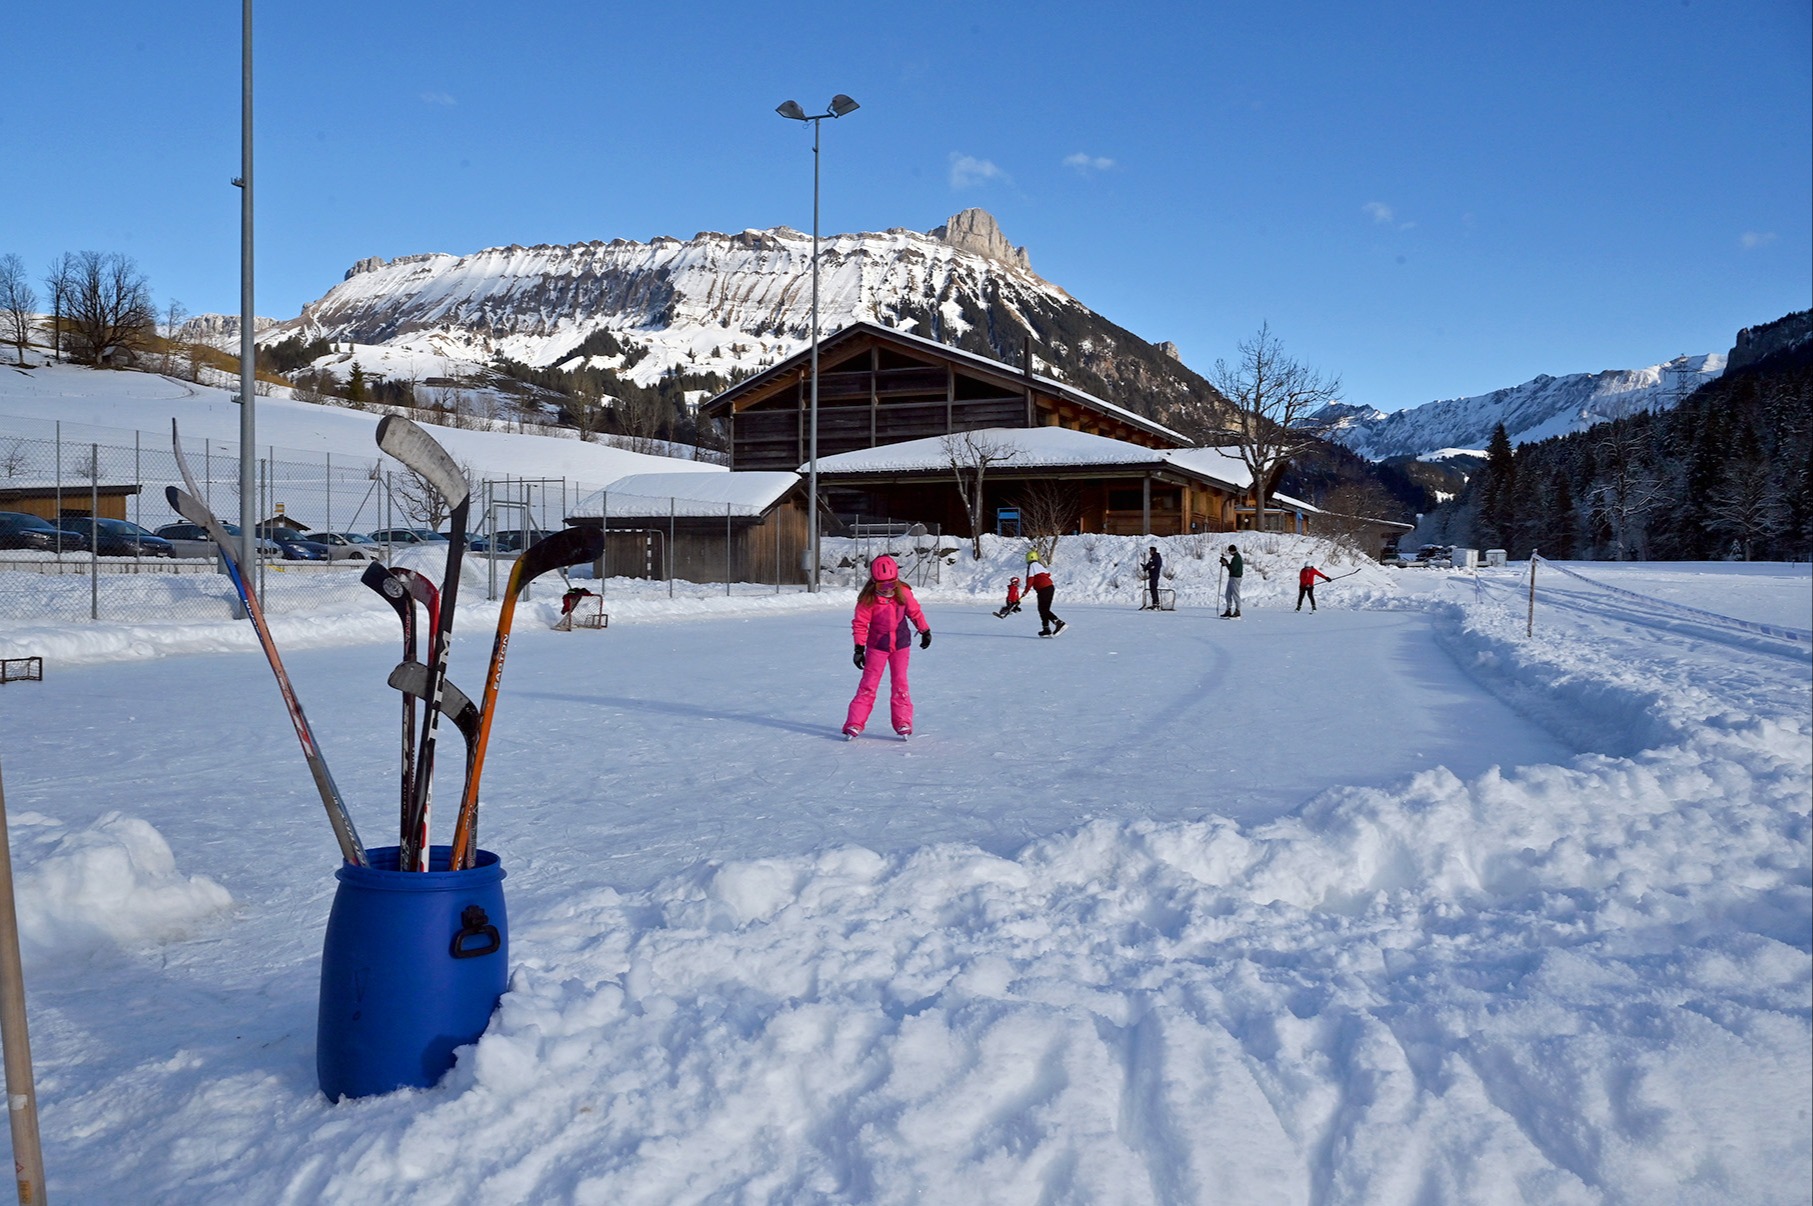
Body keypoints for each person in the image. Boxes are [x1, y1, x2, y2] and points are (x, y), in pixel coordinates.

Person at [843, 554, 931, 740]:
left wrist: (924, 630)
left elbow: (914, 612)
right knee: (868, 686)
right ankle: (854, 723)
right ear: (874, 582)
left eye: (892, 584)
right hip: (877, 647)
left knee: (900, 683)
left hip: (900, 645)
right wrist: (859, 649)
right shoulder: (868, 599)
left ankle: (902, 722)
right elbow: (860, 624)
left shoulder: (904, 593)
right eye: (883, 586)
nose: (888, 590)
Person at [1025, 548, 1065, 637]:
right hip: (1048, 588)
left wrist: (1025, 591)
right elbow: (1047, 574)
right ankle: (1046, 629)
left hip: (1044, 589)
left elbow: (1030, 579)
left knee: (1043, 609)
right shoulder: (1039, 565)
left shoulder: (1032, 566)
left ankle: (1059, 622)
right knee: (1043, 609)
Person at [1218, 544, 1244, 618]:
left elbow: (1232, 569)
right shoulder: (1235, 557)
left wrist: (1226, 563)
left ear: (1232, 551)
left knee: (1236, 594)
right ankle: (1228, 610)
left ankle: (1238, 611)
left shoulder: (1237, 558)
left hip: (1236, 578)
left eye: (1229, 551)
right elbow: (1231, 567)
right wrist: (1226, 563)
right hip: (1232, 577)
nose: (1229, 552)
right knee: (1228, 594)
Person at [1140, 545, 1163, 610]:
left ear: (1153, 551)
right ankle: (1155, 602)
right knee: (1153, 589)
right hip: (1155, 574)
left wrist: (1145, 568)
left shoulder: (1154, 557)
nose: (1150, 552)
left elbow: (1150, 564)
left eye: (1150, 551)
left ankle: (1156, 603)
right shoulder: (1157, 557)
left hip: (1154, 575)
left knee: (1153, 589)